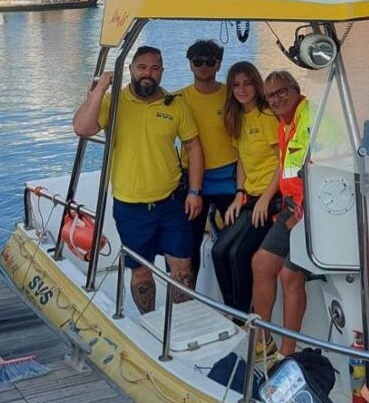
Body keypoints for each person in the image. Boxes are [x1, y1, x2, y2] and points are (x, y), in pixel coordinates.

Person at [73, 46, 204, 313]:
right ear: (131, 69)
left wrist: (194, 191)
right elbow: (83, 128)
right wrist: (99, 90)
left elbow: (193, 147)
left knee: (182, 268)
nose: (148, 73)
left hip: (170, 203)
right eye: (142, 67)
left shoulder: (175, 104)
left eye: (154, 68)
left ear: (162, 72)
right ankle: (150, 319)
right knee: (141, 271)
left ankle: (182, 321)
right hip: (130, 206)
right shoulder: (113, 102)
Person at [211, 62, 281, 315]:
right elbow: (241, 159)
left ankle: (243, 316)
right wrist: (239, 194)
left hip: (270, 198)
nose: (242, 90)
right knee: (219, 251)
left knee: (239, 253)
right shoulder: (238, 117)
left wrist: (265, 199)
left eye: (247, 83)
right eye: (236, 85)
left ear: (256, 85)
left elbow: (283, 161)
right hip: (249, 196)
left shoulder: (267, 116)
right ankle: (233, 310)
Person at [252, 70, 312, 361]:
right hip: (292, 207)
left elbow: (326, 167)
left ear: (296, 89)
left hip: (313, 212)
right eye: (270, 96)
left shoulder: (310, 119)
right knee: (261, 263)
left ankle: (288, 353)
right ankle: (263, 340)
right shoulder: (284, 124)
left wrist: (304, 213)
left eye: (281, 92)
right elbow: (285, 167)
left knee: (290, 275)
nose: (276, 99)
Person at [178, 39, 239, 281]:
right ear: (190, 64)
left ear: (219, 64)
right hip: (193, 183)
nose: (204, 66)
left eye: (210, 61)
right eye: (198, 61)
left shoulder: (233, 95)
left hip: (229, 180)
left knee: (234, 247)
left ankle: (235, 299)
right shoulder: (179, 98)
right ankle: (187, 297)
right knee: (188, 246)